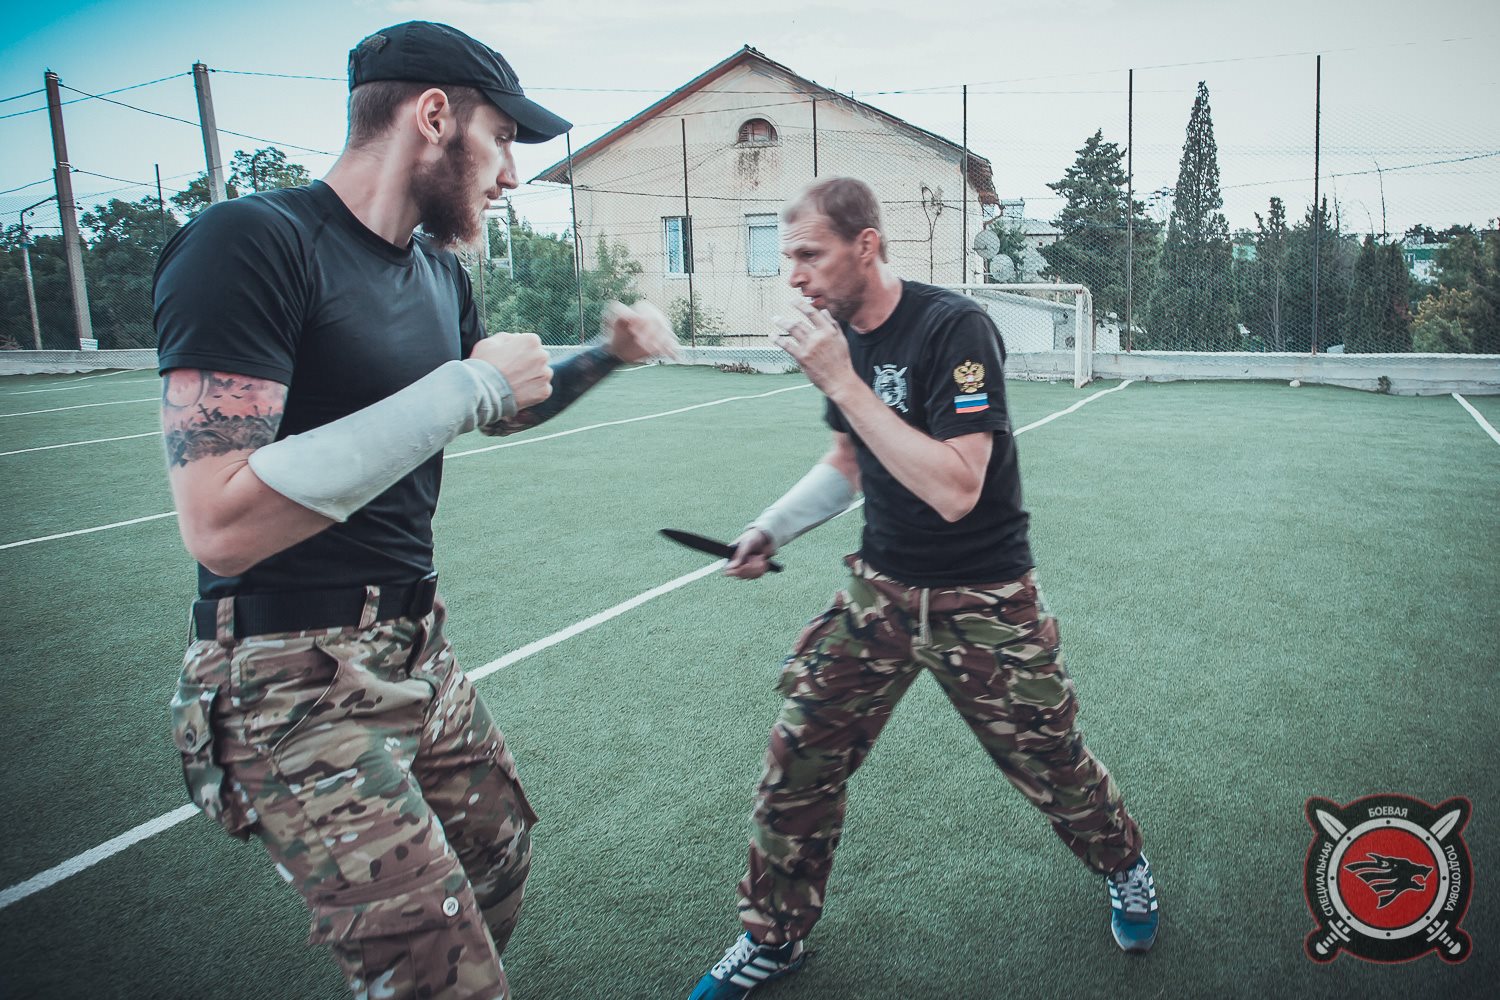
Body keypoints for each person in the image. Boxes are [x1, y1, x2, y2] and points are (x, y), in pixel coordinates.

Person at [155, 21, 676, 1000]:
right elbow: (218, 521)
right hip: (284, 678)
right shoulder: (253, 243)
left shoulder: (439, 274)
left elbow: (500, 403)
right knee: (444, 977)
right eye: (504, 137)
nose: (513, 174)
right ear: (434, 116)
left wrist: (610, 356)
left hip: (411, 645)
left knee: (499, 858)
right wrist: (464, 390)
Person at [687, 177, 1159, 999]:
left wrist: (842, 382)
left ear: (865, 245)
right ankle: (776, 936)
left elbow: (955, 487)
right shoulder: (844, 338)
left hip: (985, 597)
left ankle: (1125, 865)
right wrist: (770, 528)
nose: (792, 275)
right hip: (881, 592)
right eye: (787, 256)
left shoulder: (954, 328)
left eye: (808, 254)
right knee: (800, 758)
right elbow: (849, 464)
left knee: (1054, 764)